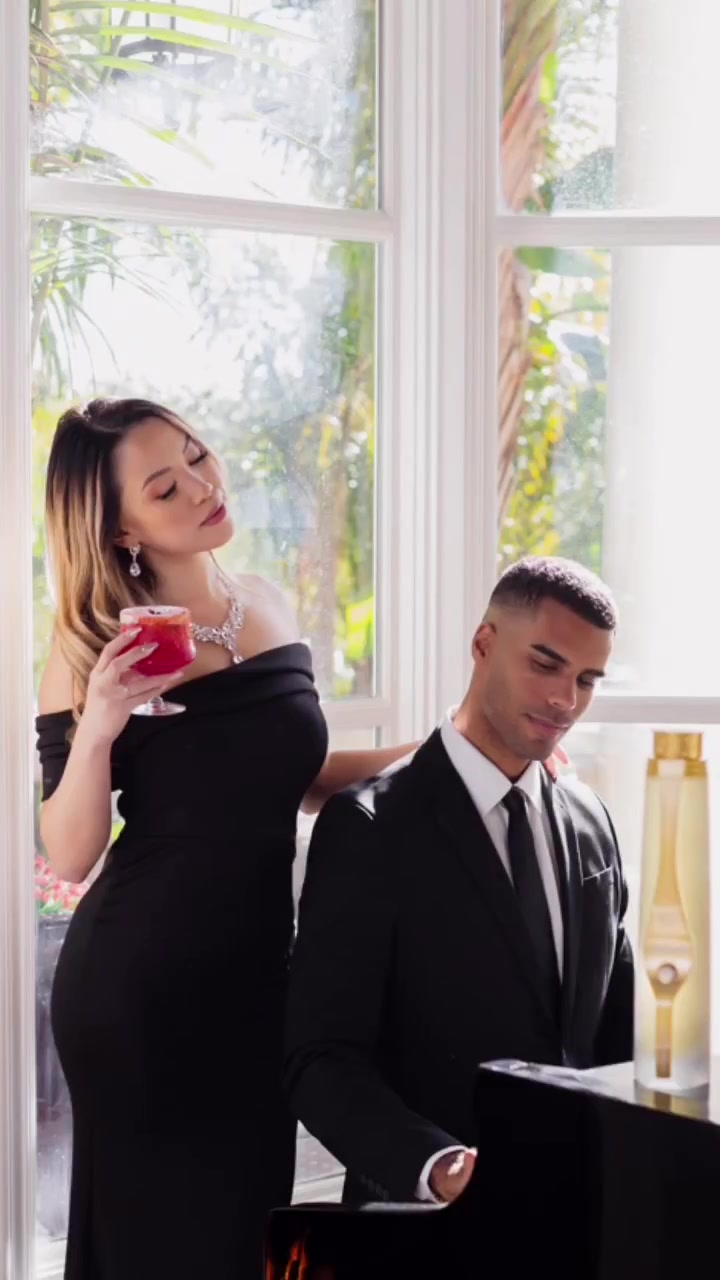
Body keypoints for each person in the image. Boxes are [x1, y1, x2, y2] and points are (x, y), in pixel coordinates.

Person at [36, 397, 416, 1280]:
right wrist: (99, 725)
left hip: (258, 984)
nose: (203, 486)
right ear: (121, 528)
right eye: (166, 488)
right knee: (155, 1248)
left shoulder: (268, 605)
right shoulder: (93, 644)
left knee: (245, 1235)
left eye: (198, 456)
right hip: (140, 991)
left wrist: (452, 747)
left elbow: (299, 778)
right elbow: (70, 852)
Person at [285, 556, 634, 1208]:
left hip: (583, 1222)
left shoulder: (592, 824)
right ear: (483, 644)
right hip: (425, 1231)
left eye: (587, 680)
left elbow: (621, 1038)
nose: (566, 700)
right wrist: (439, 1166)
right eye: (546, 664)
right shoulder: (369, 827)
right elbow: (321, 1060)